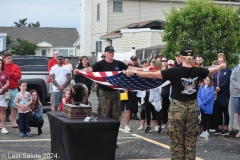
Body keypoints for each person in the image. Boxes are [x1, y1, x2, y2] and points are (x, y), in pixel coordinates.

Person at [125, 46, 226, 159]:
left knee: (176, 142)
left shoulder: (174, 72)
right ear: (192, 58)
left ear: (181, 58)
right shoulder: (199, 71)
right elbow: (211, 71)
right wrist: (221, 66)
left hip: (177, 109)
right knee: (190, 142)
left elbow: (152, 74)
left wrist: (133, 73)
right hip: (192, 108)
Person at [74, 46, 129, 121]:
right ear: (105, 53)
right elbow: (89, 69)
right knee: (103, 115)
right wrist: (80, 71)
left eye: (112, 52)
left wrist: (144, 69)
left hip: (115, 92)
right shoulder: (100, 64)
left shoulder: (118, 63)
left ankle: (114, 131)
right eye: (109, 52)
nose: (111, 54)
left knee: (115, 115)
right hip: (104, 92)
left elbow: (130, 69)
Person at [213, 53, 231, 136]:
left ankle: (226, 128)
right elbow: (213, 80)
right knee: (218, 111)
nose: (220, 63)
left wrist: (220, 88)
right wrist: (215, 88)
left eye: (221, 61)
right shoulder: (217, 71)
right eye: (219, 61)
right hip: (217, 94)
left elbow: (227, 81)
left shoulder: (228, 70)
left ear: (224, 61)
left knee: (225, 111)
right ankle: (219, 127)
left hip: (224, 93)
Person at [4, 52, 22, 127]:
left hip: (14, 89)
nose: (9, 59)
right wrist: (13, 74)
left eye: (10, 58)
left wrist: (9, 74)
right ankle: (2, 123)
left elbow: (19, 76)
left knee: (14, 106)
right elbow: (4, 76)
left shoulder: (16, 66)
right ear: (4, 59)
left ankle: (14, 122)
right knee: (2, 107)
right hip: (5, 89)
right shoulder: (2, 66)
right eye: (7, 58)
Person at [230, 65, 240, 137]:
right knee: (239, 113)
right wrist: (238, 86)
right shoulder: (236, 69)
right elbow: (232, 80)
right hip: (237, 94)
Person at [0, 59, 10, 134]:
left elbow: (8, 83)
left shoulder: (5, 73)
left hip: (2, 94)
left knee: (2, 110)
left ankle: (3, 127)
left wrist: (2, 88)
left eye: (1, 63)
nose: (0, 64)